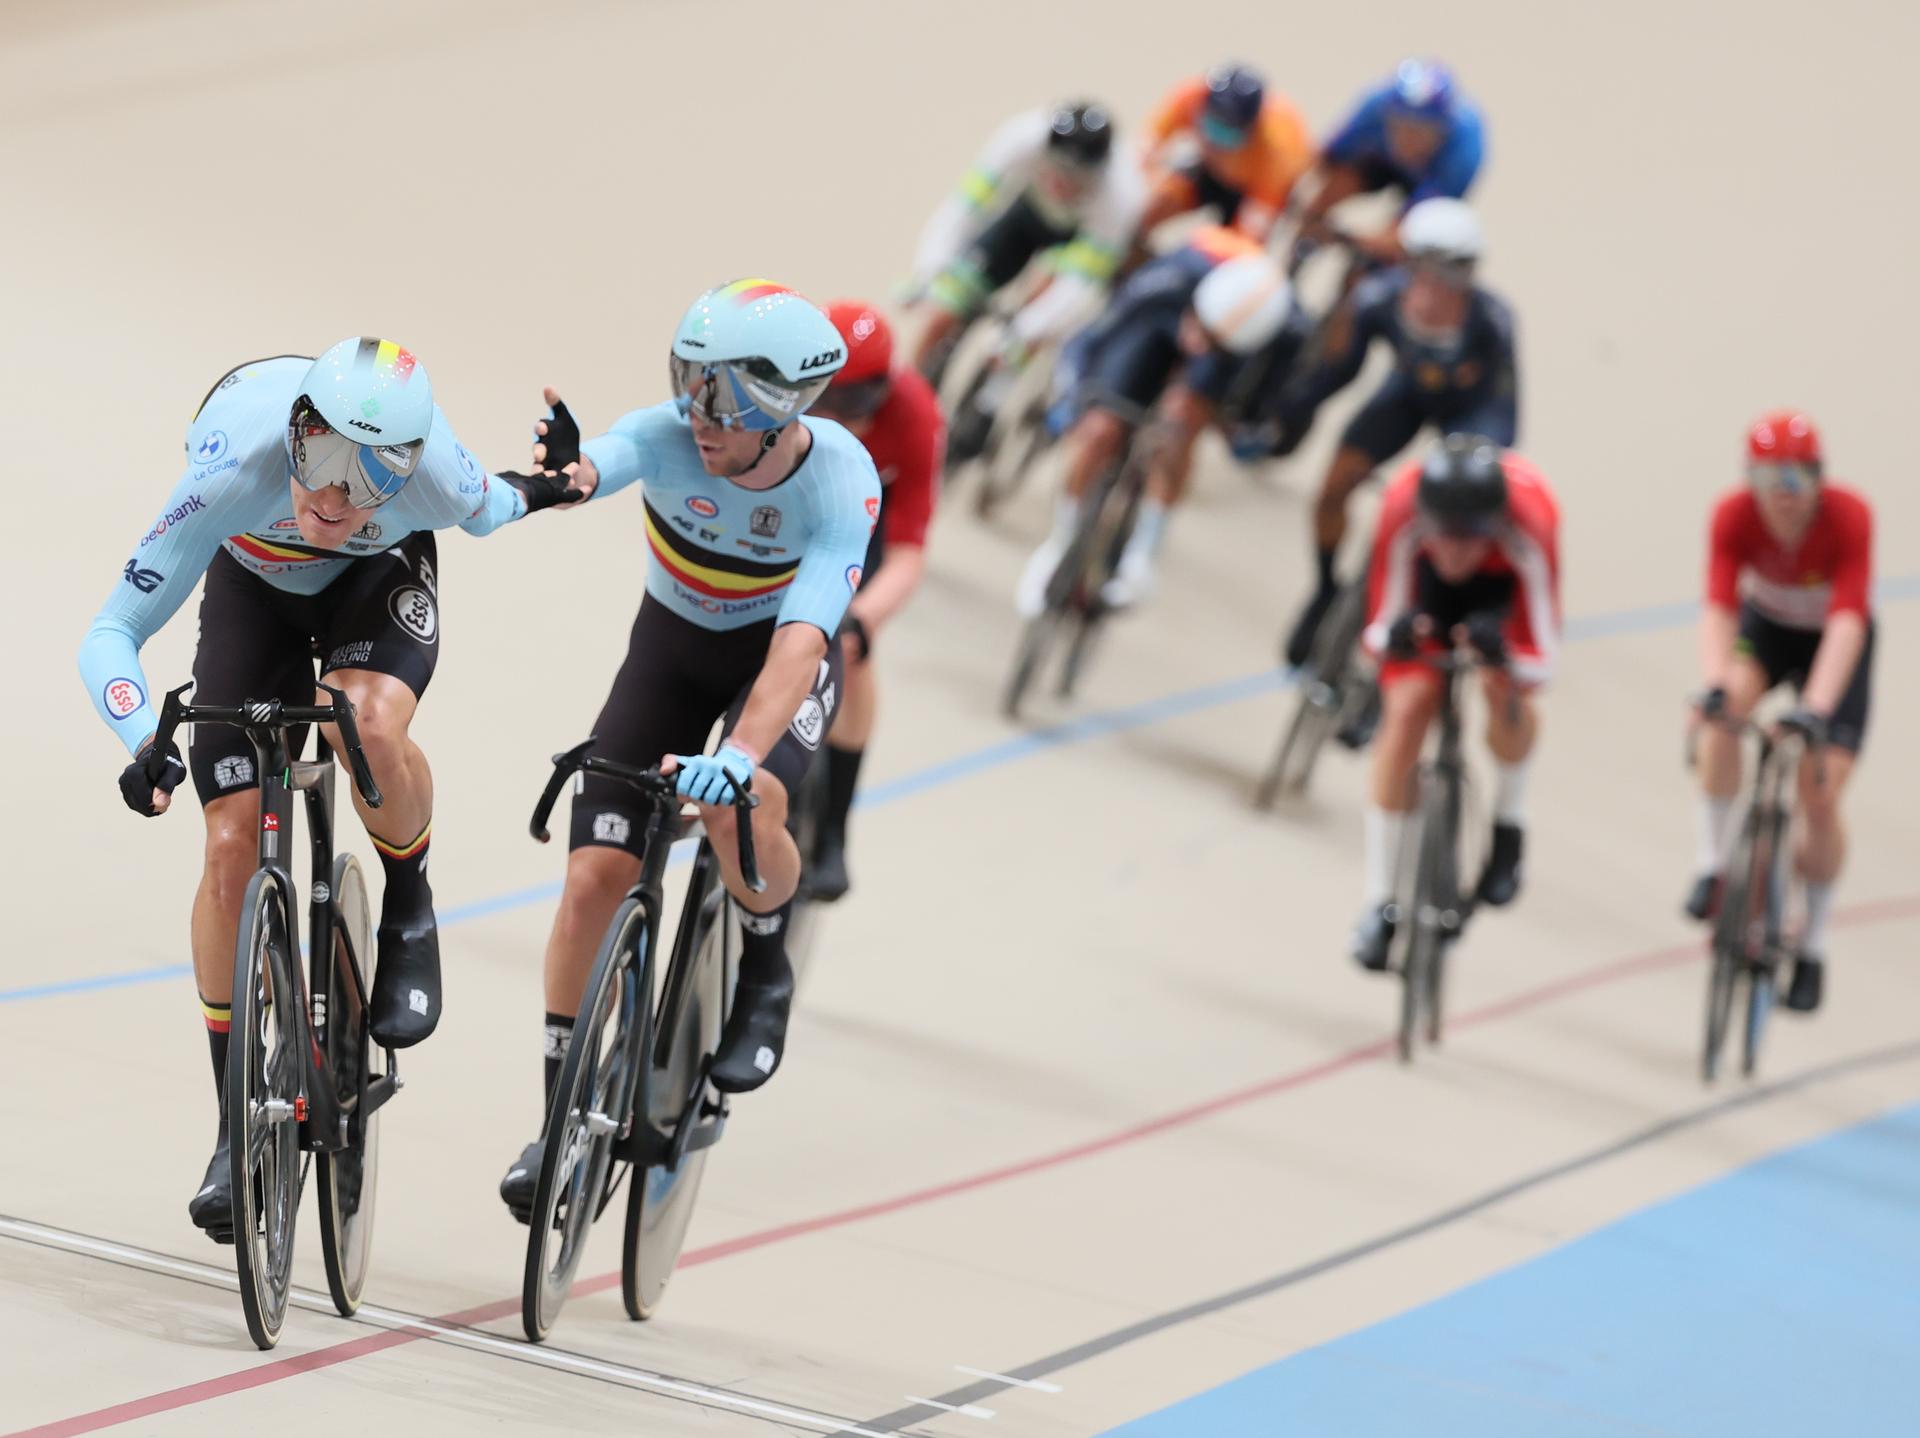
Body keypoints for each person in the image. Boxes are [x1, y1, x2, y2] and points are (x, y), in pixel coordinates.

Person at [82, 339, 583, 1240]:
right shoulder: (235, 464)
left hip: (371, 585)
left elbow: (501, 504)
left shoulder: (435, 476)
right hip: (254, 590)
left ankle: (408, 901)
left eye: (371, 477)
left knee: (371, 724)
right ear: (294, 433)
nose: (335, 498)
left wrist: (555, 477)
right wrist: (139, 743)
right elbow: (110, 633)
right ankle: (235, 1129)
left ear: (408, 470)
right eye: (320, 460)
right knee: (229, 845)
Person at [500, 281, 880, 1219]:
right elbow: (604, 462)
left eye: (727, 397)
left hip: (775, 660)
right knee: (593, 878)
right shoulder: (669, 435)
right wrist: (564, 477)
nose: (700, 416)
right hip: (669, 654)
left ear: (787, 403)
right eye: (689, 383)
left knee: (737, 808)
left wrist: (743, 760)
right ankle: (559, 1118)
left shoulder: (841, 480)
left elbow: (800, 645)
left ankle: (764, 960)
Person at [1684, 411, 1872, 1014]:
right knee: (1724, 716)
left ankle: (1813, 943)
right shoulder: (1732, 515)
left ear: (1819, 479)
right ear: (1751, 482)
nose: (1784, 497)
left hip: (1831, 647)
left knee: (1817, 796)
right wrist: (1715, 684)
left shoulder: (1848, 517)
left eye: (1796, 481)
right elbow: (1716, 606)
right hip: (1766, 630)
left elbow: (1847, 620)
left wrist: (1816, 709)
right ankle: (1713, 866)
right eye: (1770, 481)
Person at [1351, 435, 1559, 971]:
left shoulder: (1532, 522)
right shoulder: (1402, 508)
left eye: (1469, 540)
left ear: (1495, 522)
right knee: (1408, 707)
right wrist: (1393, 638)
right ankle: (1379, 902)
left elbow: (1544, 662)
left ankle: (1509, 824)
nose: (1453, 553)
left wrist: (1504, 661)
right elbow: (1376, 632)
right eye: (1444, 537)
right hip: (1426, 599)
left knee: (1498, 687)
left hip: (1500, 598)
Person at [1282, 197, 1518, 668]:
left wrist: (1472, 476)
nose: (1439, 288)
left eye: (1454, 274)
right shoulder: (1379, 299)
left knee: (1440, 514)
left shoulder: (1492, 324)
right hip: (1406, 397)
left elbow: (1501, 416)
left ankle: (1414, 622)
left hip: (1469, 418)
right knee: (1334, 486)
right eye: (1427, 270)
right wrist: (1288, 409)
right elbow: (1339, 372)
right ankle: (1326, 588)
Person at [1017, 232, 1302, 615]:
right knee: (1101, 429)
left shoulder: (1288, 334)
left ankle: (1143, 555)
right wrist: (1073, 402)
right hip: (1159, 323)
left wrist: (1243, 430)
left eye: (1213, 342)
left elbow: (1260, 411)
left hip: (1221, 356)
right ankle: (1059, 544)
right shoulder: (1167, 280)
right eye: (1200, 331)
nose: (1200, 345)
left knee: (1183, 422)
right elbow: (1090, 341)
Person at [804, 301, 946, 901]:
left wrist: (861, 621)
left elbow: (908, 553)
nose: (840, 419)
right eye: (825, 401)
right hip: (796, 489)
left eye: (856, 405)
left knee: (850, 653)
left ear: (885, 391)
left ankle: (834, 826)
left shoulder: (917, 418)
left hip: (866, 517)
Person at [908, 100, 1147, 387]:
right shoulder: (1020, 138)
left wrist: (1028, 330)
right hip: (1025, 219)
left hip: (1074, 242)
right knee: (943, 310)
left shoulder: (1122, 194)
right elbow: (964, 208)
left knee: (1036, 313)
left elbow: (1079, 284)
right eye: (1057, 167)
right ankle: (905, 388)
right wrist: (930, 269)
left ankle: (992, 398)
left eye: (1077, 177)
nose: (1063, 182)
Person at [1292, 57, 1486, 266]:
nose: (1407, 141)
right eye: (1400, 127)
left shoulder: (1463, 154)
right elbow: (1323, 161)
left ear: (1443, 132)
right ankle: (1291, 268)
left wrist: (1348, 239)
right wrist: (1304, 205)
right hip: (1381, 162)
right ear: (1388, 117)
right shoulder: (1374, 106)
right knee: (1325, 195)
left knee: (1388, 255)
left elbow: (1407, 235)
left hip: (1429, 183)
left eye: (1420, 133)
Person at [1137, 63, 1313, 243]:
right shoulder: (1192, 96)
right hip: (1206, 167)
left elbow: (1251, 230)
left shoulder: (1276, 149)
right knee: (1155, 204)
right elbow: (1146, 150)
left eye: (1227, 134)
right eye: (1214, 125)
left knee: (1232, 250)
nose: (1216, 145)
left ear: (1251, 129)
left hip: (1254, 192)